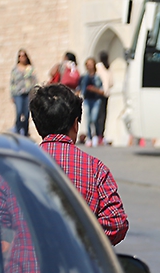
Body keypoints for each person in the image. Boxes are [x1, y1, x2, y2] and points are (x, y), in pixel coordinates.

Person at [30, 84, 128, 245]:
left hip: (24, 267)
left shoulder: (16, 165)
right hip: (79, 265)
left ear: (37, 125)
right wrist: (81, 233)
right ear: (76, 124)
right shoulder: (96, 169)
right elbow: (116, 222)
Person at [9, 49, 37, 136]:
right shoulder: (15, 69)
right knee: (19, 112)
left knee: (26, 114)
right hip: (18, 94)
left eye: (23, 56)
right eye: (20, 56)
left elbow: (34, 81)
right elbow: (12, 82)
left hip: (28, 93)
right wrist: (12, 95)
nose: (22, 58)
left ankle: (25, 132)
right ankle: (17, 130)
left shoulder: (30, 68)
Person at [79, 58, 105, 146]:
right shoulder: (84, 77)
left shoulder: (97, 77)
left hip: (96, 99)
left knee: (94, 118)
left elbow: (102, 91)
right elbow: (80, 88)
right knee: (88, 119)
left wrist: (94, 89)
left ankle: (97, 135)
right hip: (87, 99)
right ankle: (89, 137)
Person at [95, 51, 112, 144]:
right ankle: (101, 134)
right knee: (103, 114)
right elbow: (112, 82)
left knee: (98, 115)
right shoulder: (108, 68)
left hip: (99, 93)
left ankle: (98, 135)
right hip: (106, 94)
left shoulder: (98, 67)